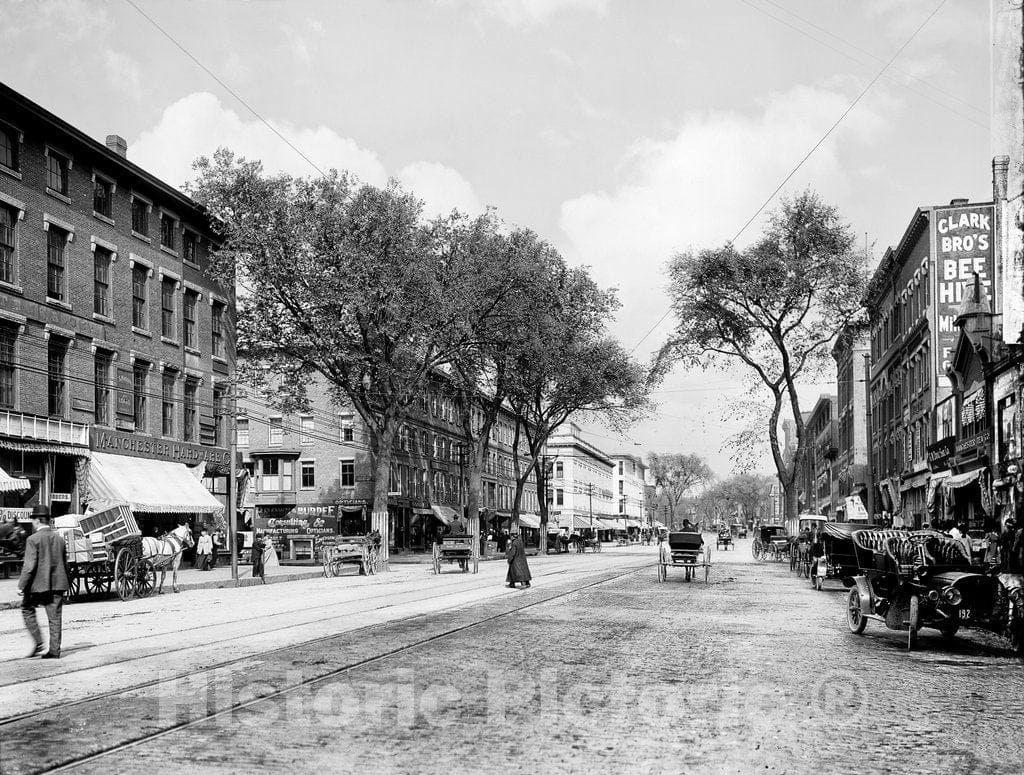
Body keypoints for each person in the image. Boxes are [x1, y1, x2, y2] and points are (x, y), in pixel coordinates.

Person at [18, 505, 69, 659]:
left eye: (33, 519)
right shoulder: (59, 539)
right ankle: (54, 650)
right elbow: (65, 564)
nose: (32, 522)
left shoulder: (32, 539)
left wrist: (21, 585)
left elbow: (29, 566)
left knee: (27, 608)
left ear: (38, 521)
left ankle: (39, 642)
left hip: (38, 587)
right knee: (55, 618)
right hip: (58, 584)